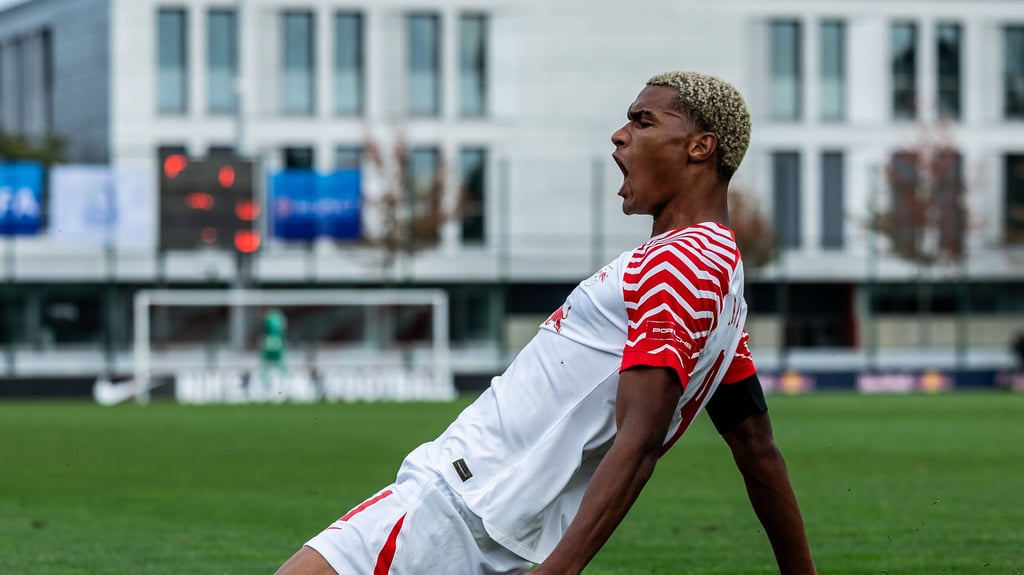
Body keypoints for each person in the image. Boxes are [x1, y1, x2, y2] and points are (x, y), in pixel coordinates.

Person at [276, 71, 817, 575]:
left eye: (643, 121)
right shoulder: (720, 282)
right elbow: (757, 451)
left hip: (454, 505)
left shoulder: (681, 263)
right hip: (494, 524)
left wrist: (560, 570)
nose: (619, 135)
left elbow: (642, 437)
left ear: (701, 147)